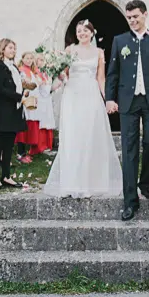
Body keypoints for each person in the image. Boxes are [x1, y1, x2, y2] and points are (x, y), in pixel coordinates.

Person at [106, 0, 149, 221]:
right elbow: (112, 73)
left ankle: (145, 183)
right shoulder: (119, 41)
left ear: (145, 15)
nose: (133, 20)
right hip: (128, 102)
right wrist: (110, 98)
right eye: (129, 17)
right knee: (129, 149)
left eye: (136, 16)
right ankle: (129, 201)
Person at [44, 20, 122, 198]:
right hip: (73, 95)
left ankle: (91, 182)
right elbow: (63, 73)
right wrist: (56, 75)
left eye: (85, 31)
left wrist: (108, 98)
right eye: (79, 31)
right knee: (73, 136)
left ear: (92, 33)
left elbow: (100, 78)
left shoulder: (99, 52)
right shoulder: (70, 50)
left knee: (90, 135)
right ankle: (71, 183)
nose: (82, 33)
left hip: (91, 95)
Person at [0, 39, 25, 188]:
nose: (13, 51)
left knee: (10, 144)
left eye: (15, 48)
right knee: (0, 143)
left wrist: (25, 94)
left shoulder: (15, 67)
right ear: (2, 49)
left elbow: (18, 87)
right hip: (3, 110)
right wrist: (19, 97)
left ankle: (6, 175)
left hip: (15, 110)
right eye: (10, 48)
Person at [15, 51, 39, 163]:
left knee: (28, 127)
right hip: (24, 101)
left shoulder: (32, 71)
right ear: (23, 59)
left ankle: (25, 151)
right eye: (27, 58)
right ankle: (20, 153)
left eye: (31, 58)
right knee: (22, 128)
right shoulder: (20, 70)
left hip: (32, 102)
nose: (29, 60)